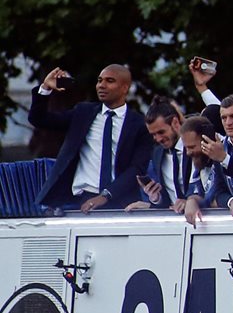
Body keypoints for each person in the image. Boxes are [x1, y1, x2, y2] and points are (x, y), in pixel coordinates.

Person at [30, 65, 153, 212]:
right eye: (100, 80)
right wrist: (45, 88)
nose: (102, 85)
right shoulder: (83, 113)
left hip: (120, 201)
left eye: (110, 81)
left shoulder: (139, 124)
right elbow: (40, 119)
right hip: (80, 200)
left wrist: (106, 195)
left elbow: (137, 168)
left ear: (125, 88)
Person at [127, 97, 189, 210]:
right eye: (153, 134)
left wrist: (191, 201)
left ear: (175, 123)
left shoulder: (195, 147)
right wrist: (156, 198)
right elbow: (167, 201)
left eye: (161, 132)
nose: (158, 139)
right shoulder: (157, 154)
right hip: (173, 221)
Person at [178, 115, 233, 225]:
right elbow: (198, 193)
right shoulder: (201, 162)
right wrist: (191, 200)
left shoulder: (227, 155)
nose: (188, 153)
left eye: (192, 147)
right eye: (186, 148)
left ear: (207, 140)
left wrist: (203, 202)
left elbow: (216, 196)